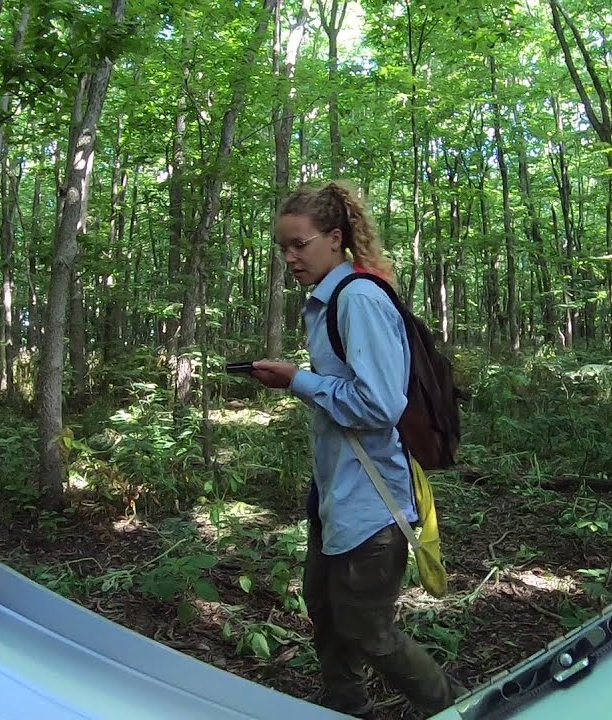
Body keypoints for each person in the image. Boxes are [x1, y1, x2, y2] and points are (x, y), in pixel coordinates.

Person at [249, 182, 461, 718]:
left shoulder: (359, 298)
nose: (289, 257)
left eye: (299, 244)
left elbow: (377, 406)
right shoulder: (323, 303)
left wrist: (298, 380)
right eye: (283, 248)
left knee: (367, 628)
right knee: (323, 607)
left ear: (335, 238)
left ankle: (449, 705)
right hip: (335, 492)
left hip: (372, 501)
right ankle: (345, 705)